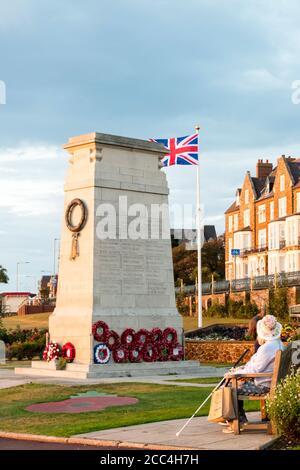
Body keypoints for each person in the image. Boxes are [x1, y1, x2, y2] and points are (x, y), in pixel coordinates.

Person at [222, 314, 284, 434]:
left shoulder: (267, 348)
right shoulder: (278, 344)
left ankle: (236, 422)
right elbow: (254, 366)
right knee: (235, 382)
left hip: (264, 385)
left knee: (229, 386)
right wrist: (241, 369)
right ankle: (239, 419)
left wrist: (235, 373)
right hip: (271, 382)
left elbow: (254, 370)